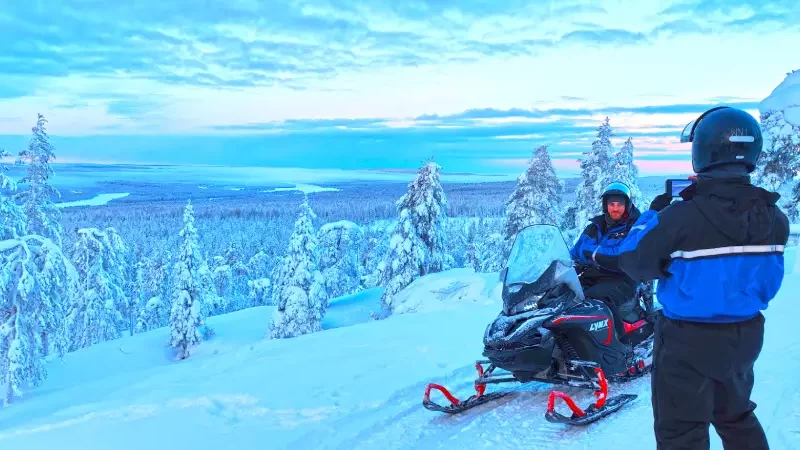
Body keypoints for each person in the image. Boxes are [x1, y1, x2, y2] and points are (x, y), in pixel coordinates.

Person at [610, 106, 789, 449]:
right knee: (736, 418)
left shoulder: (679, 217)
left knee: (681, 431)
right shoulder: (774, 216)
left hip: (686, 339)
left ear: (703, 151)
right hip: (744, 335)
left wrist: (653, 213)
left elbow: (632, 262)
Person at [569, 181, 646, 339]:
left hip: (623, 278)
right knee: (563, 297)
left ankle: (618, 346)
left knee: (596, 300)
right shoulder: (594, 227)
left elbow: (622, 256)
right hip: (591, 275)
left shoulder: (634, 227)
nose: (615, 208)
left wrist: (591, 254)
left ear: (627, 205)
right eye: (612, 204)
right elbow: (575, 252)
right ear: (606, 205)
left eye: (619, 204)